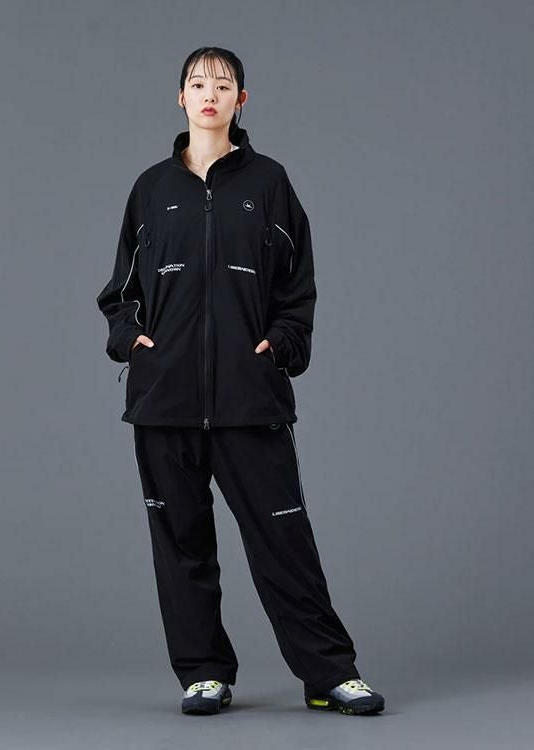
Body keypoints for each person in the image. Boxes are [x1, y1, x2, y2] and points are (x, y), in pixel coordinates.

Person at [96, 46, 385, 717]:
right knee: (182, 546)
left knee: (284, 542)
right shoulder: (150, 190)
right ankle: (203, 674)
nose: (210, 94)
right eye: (198, 83)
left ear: (241, 100)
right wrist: (130, 340)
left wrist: (281, 345)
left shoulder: (270, 184)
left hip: (249, 398)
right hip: (165, 401)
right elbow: (121, 291)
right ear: (180, 97)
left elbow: (297, 286)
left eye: (223, 85)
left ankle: (329, 674)